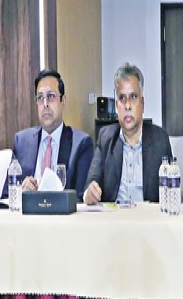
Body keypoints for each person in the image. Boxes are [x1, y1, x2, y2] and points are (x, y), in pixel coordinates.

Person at [83, 63, 172, 205]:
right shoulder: (106, 138)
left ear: (142, 104)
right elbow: (91, 182)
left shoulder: (160, 140)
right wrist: (89, 192)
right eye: (122, 98)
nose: (128, 105)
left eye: (133, 97)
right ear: (116, 106)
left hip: (148, 222)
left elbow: (170, 192)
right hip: (114, 221)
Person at [11, 69, 92, 200]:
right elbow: (6, 195)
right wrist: (21, 192)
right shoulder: (21, 142)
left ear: (63, 100)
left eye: (51, 96)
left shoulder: (81, 144)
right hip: (27, 218)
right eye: (40, 98)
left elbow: (81, 198)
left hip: (62, 218)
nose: (45, 104)